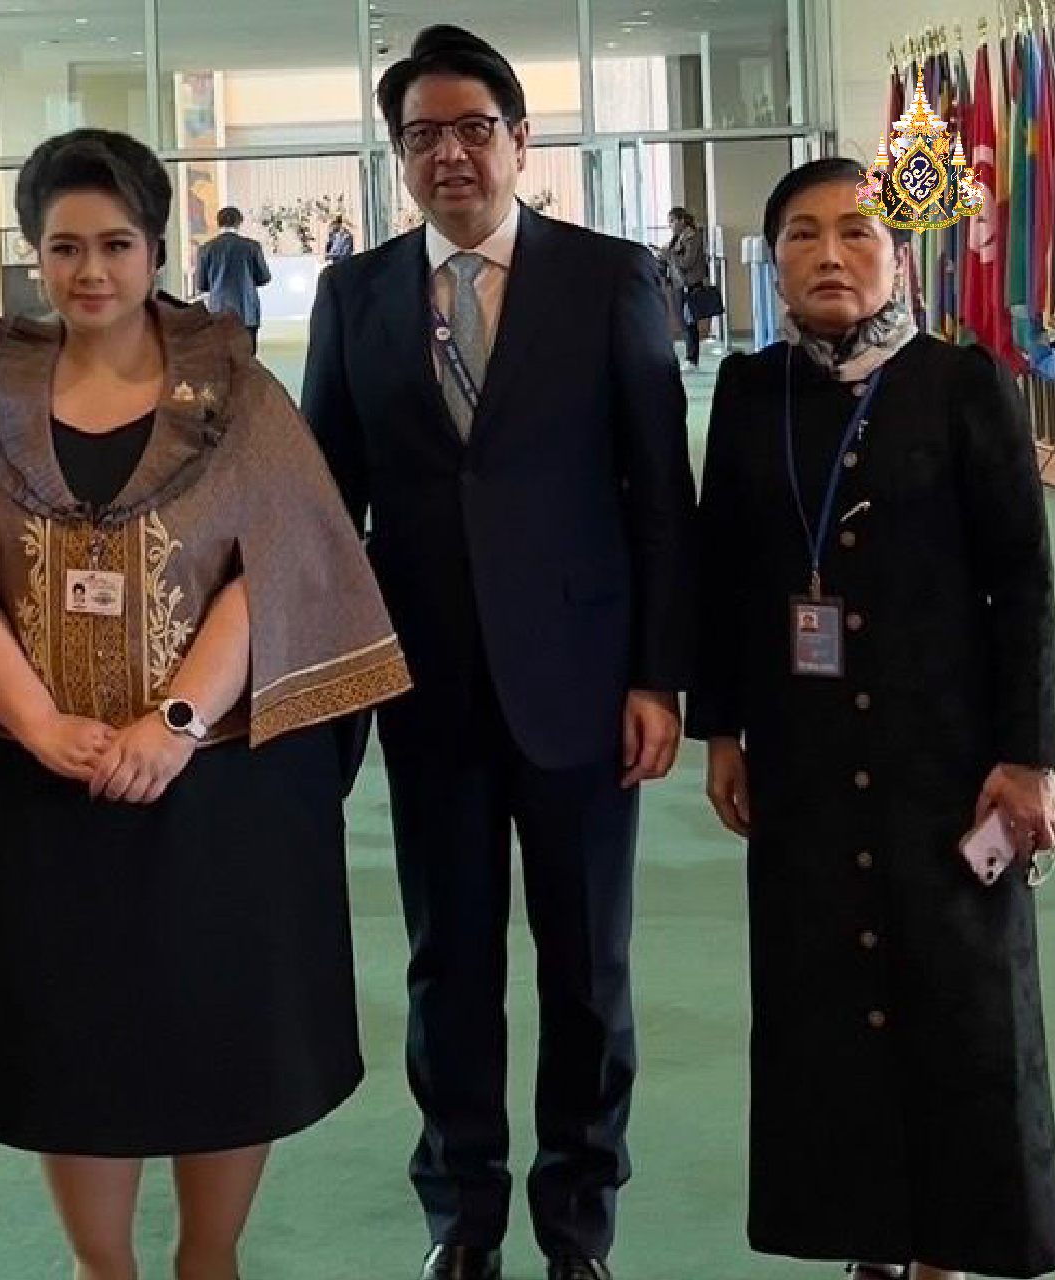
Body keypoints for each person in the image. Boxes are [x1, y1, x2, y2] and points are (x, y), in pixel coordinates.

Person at [0, 127, 410, 1280]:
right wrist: (37, 722)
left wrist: (174, 724)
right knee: (75, 1033)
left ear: (157, 246)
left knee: (223, 1020)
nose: (91, 270)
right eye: (65, 246)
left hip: (220, 780)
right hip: (46, 786)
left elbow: (283, 564)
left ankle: (209, 1255)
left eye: (116, 243)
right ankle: (99, 1262)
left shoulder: (238, 391)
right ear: (35, 253)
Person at [301, 26, 696, 1280]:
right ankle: (461, 1216)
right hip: (427, 688)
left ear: (521, 140)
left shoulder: (608, 276)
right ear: (398, 155)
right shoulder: (357, 295)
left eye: (474, 128)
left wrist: (658, 674)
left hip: (582, 684)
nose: (451, 154)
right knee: (448, 966)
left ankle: (577, 1220)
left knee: (587, 969)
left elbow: (658, 492)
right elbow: (325, 506)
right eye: (423, 135)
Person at [690, 156, 1055, 1280]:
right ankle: (868, 1241)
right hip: (801, 756)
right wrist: (722, 729)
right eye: (802, 235)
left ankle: (948, 1245)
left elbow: (1024, 581)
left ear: (897, 255)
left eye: (857, 232)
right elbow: (723, 572)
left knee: (958, 1000)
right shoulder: (751, 392)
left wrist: (1029, 756)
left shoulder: (961, 382)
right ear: (774, 262)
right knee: (827, 1002)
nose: (831, 255)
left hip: (946, 755)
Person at [192, 205, 272, 352]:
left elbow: (201, 284)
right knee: (247, 358)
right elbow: (265, 277)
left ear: (218, 223)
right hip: (247, 311)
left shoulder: (206, 248)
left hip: (218, 311)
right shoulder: (252, 246)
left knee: (221, 358)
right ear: (239, 223)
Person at [663, 206, 710, 369]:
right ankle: (690, 357)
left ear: (682, 220)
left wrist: (669, 255)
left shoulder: (692, 237)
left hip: (689, 284)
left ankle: (692, 358)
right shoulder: (677, 238)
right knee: (683, 321)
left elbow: (687, 262)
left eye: (672, 221)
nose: (670, 225)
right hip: (679, 283)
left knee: (689, 322)